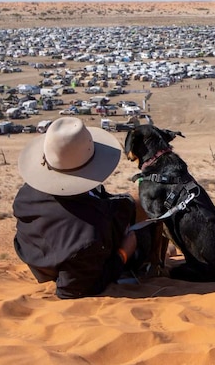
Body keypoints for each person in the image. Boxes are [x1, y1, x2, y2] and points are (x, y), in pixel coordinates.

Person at [13, 117, 152, 299]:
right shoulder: (87, 236)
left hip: (44, 255)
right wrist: (123, 253)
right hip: (80, 261)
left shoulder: (26, 195)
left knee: (132, 202)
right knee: (142, 207)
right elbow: (74, 289)